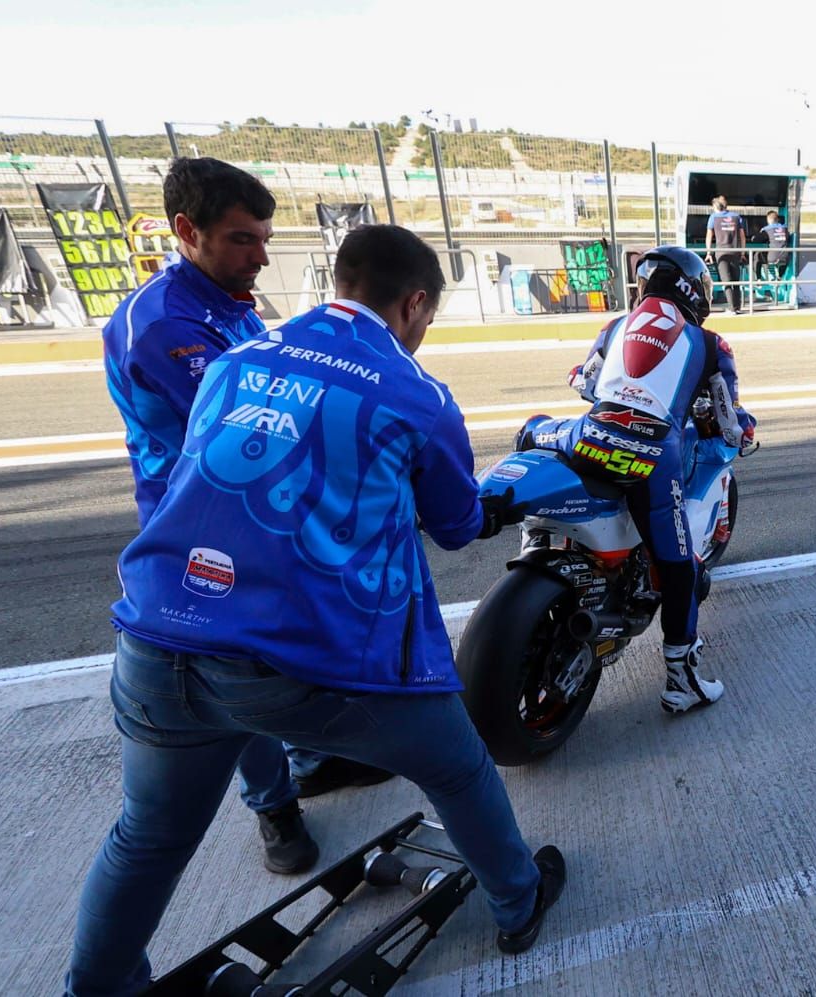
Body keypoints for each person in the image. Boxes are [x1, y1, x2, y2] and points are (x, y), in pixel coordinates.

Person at [67, 226, 565, 997]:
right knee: (459, 766)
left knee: (148, 838)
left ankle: (94, 988)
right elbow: (458, 524)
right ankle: (518, 898)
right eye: (426, 317)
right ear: (415, 303)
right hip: (302, 660)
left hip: (155, 634)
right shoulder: (416, 393)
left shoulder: (235, 359)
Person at [103, 158, 389, 808]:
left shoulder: (228, 300)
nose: (261, 256)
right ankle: (275, 806)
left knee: (270, 650)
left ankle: (312, 757)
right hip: (196, 526)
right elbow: (245, 434)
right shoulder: (162, 326)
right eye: (243, 239)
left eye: (265, 237)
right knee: (231, 662)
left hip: (251, 509)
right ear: (186, 230)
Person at [516, 246, 754, 713]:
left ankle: (532, 541)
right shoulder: (710, 344)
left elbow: (585, 383)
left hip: (586, 437)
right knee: (681, 565)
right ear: (694, 290)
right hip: (651, 455)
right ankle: (681, 679)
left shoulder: (613, 327)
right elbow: (728, 423)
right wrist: (744, 429)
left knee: (532, 428)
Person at [703, 195, 747, 314]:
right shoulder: (736, 217)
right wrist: (742, 252)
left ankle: (732, 308)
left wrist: (708, 252)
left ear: (715, 206)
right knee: (736, 280)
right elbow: (743, 237)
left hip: (721, 253)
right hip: (735, 252)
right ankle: (737, 307)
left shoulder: (713, 217)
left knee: (726, 281)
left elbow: (709, 236)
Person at [754, 209, 793, 282]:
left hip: (772, 257)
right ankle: (779, 277)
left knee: (757, 256)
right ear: (777, 219)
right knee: (781, 262)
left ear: (768, 220)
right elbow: (787, 238)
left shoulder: (767, 229)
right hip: (785, 257)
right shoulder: (784, 228)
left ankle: (758, 279)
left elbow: (756, 239)